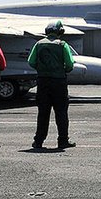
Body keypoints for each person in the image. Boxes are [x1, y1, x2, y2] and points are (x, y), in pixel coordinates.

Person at [28, 20, 76, 150]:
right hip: (59, 82)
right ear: (60, 32)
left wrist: (41, 69)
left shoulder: (38, 44)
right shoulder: (62, 45)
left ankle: (38, 141)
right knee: (61, 113)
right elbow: (70, 64)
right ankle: (63, 141)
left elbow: (31, 62)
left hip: (43, 82)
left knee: (43, 113)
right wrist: (62, 70)